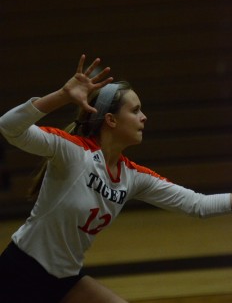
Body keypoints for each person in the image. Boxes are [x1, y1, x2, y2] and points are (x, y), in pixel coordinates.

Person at [0, 54, 231, 303]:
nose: (144, 117)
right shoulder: (74, 152)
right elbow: (9, 127)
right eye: (135, 111)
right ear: (110, 120)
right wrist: (62, 95)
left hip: (64, 279)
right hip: (19, 272)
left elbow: (197, 205)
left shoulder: (132, 176)